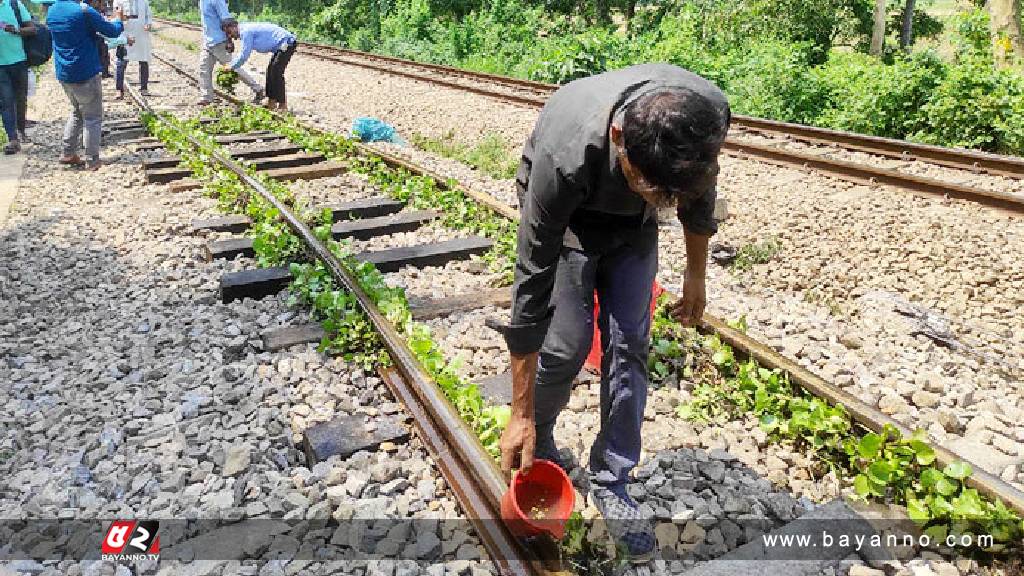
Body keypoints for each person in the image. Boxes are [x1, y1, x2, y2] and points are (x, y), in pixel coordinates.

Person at [494, 63, 730, 560]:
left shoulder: (702, 120)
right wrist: (519, 412)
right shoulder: (566, 153)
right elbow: (531, 281)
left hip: (635, 228)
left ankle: (612, 477)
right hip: (573, 215)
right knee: (566, 343)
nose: (657, 196)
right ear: (619, 137)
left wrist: (696, 275)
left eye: (666, 192)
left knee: (630, 344)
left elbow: (697, 195)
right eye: (645, 183)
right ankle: (538, 432)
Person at [47, 0, 123, 169]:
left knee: (77, 111)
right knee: (92, 117)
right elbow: (112, 31)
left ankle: (68, 153)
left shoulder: (52, 10)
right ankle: (93, 159)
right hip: (85, 72)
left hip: (64, 74)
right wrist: (118, 18)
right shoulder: (84, 11)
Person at [196, 0, 260, 105]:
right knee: (203, 70)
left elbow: (227, 22)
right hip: (208, 42)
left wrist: (229, 41)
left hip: (220, 41)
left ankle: (258, 89)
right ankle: (206, 97)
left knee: (234, 68)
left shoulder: (217, 1)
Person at [223, 21, 295, 110]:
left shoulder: (246, 31)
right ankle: (271, 101)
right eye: (228, 34)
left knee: (276, 73)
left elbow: (244, 55)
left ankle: (283, 105)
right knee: (270, 72)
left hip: (287, 43)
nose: (230, 36)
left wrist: (231, 66)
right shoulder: (245, 30)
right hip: (280, 46)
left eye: (229, 32)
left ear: (234, 27)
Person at [0, 0, 35, 154]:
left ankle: (21, 131)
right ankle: (12, 139)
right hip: (1, 67)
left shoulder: (14, 5)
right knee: (6, 102)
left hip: (19, 61)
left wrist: (15, 30)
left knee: (20, 99)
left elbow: (32, 29)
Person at [111, 0, 150, 95]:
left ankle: (144, 88)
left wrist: (148, 24)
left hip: (141, 33)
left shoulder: (143, 1)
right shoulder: (118, 1)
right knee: (121, 61)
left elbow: (148, 15)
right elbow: (116, 16)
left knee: (144, 60)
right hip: (125, 32)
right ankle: (119, 89)